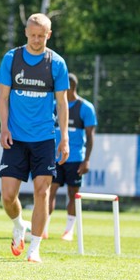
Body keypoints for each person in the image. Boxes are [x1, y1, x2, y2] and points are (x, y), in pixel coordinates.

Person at [0, 13, 69, 263]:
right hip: (15, 138)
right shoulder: (12, 58)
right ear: (26, 33)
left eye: (42, 36)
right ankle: (19, 225)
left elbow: (62, 103)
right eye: (33, 35)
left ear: (49, 35)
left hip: (44, 138)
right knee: (8, 196)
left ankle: (34, 249)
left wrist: (64, 137)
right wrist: (4, 127)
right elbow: (3, 97)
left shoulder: (56, 63)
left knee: (42, 192)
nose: (37, 40)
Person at [48, 73, 97, 241]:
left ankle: (68, 230)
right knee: (49, 191)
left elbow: (90, 136)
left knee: (73, 193)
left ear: (70, 87)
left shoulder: (85, 108)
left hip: (75, 158)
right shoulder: (53, 106)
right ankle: (43, 228)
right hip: (54, 158)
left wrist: (86, 160)